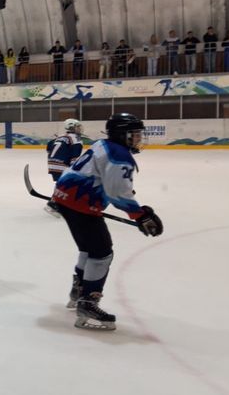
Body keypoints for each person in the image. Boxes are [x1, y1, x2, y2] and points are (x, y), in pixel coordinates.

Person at [52, 113, 163, 330]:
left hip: (65, 198)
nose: (139, 138)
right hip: (81, 203)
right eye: (135, 134)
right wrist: (141, 215)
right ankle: (88, 302)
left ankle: (79, 289)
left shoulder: (102, 144)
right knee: (102, 253)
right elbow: (117, 193)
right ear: (123, 135)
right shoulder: (120, 155)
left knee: (88, 248)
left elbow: (101, 177)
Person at [45, 119, 83, 216]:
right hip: (62, 165)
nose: (80, 128)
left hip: (52, 163)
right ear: (71, 127)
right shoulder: (76, 138)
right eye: (77, 127)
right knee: (72, 182)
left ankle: (59, 201)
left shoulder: (61, 137)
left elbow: (48, 147)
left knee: (63, 183)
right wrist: (75, 169)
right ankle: (54, 203)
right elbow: (75, 155)